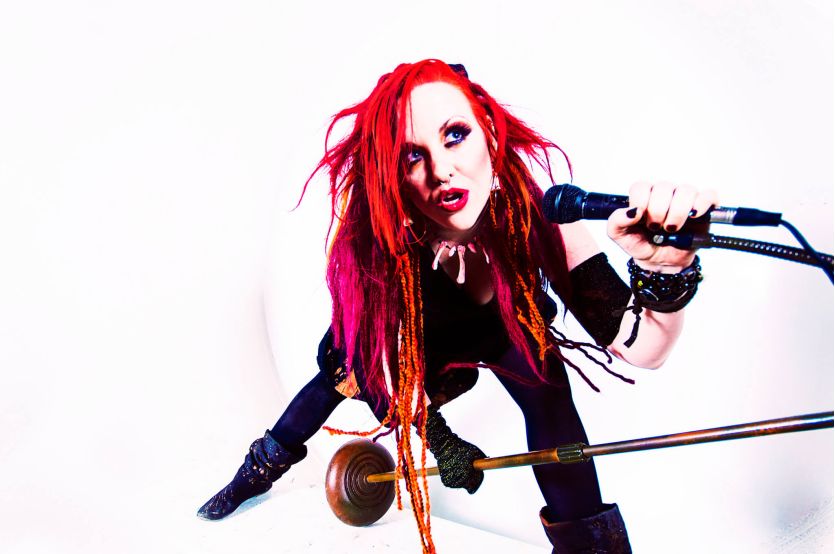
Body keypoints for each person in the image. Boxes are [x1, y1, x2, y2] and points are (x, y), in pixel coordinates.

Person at [197, 59, 716, 554]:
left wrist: (666, 274)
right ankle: (252, 475)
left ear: (487, 131)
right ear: (394, 175)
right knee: (333, 382)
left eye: (454, 135)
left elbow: (643, 347)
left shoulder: (539, 214)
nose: (441, 170)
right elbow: (384, 379)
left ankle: (591, 546)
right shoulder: (384, 252)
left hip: (500, 328)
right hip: (407, 344)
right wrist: (441, 441)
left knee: (549, 395)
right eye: (411, 156)